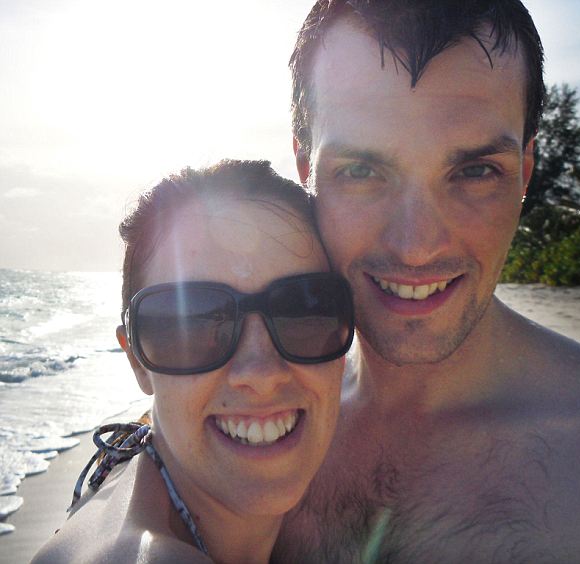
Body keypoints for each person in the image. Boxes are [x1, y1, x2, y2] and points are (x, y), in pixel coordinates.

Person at [273, 1, 580, 562]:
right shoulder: (259, 419)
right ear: (305, 168)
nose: (416, 246)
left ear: (525, 172)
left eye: (474, 172)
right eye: (362, 172)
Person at [32, 160, 355, 563]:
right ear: (137, 359)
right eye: (192, 325)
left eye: (304, 311)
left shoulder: (136, 464)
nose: (261, 374)